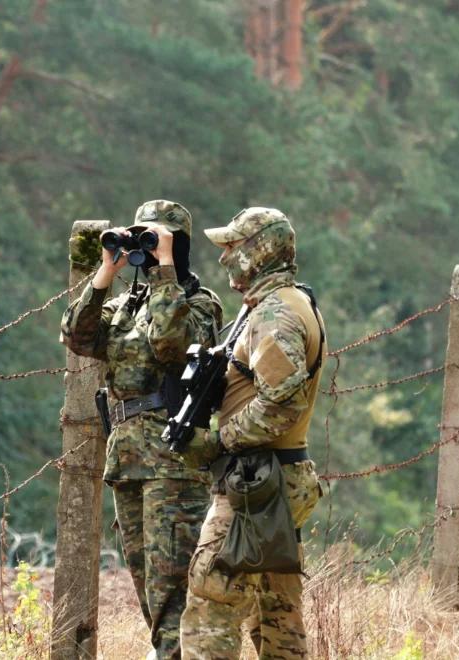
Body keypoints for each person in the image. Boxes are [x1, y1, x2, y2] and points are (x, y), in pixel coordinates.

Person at [61, 200, 223, 659]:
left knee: (172, 593)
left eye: (155, 239)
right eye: (142, 238)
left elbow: (172, 345)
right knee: (149, 594)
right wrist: (104, 273)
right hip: (129, 459)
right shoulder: (123, 306)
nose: (146, 249)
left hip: (173, 463)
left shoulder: (198, 302)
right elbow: (76, 336)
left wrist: (165, 269)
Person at [178, 207, 327, 659]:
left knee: (211, 602)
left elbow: (281, 406)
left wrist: (218, 442)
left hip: (259, 483)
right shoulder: (281, 303)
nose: (225, 258)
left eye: (233, 247)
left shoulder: (276, 313)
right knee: (275, 611)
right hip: (275, 478)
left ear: (258, 252)